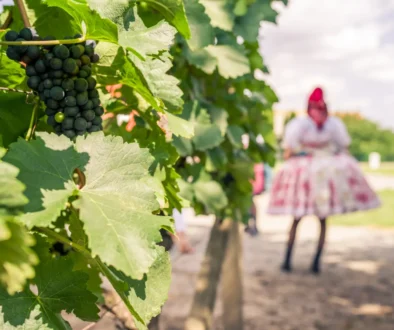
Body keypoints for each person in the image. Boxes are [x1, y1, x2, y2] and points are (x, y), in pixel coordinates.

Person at [267, 87, 380, 274]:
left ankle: (289, 260)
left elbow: (289, 152)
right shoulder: (329, 124)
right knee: (321, 220)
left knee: (298, 218)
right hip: (323, 175)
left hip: (309, 176)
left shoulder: (303, 125)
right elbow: (343, 147)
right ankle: (315, 262)